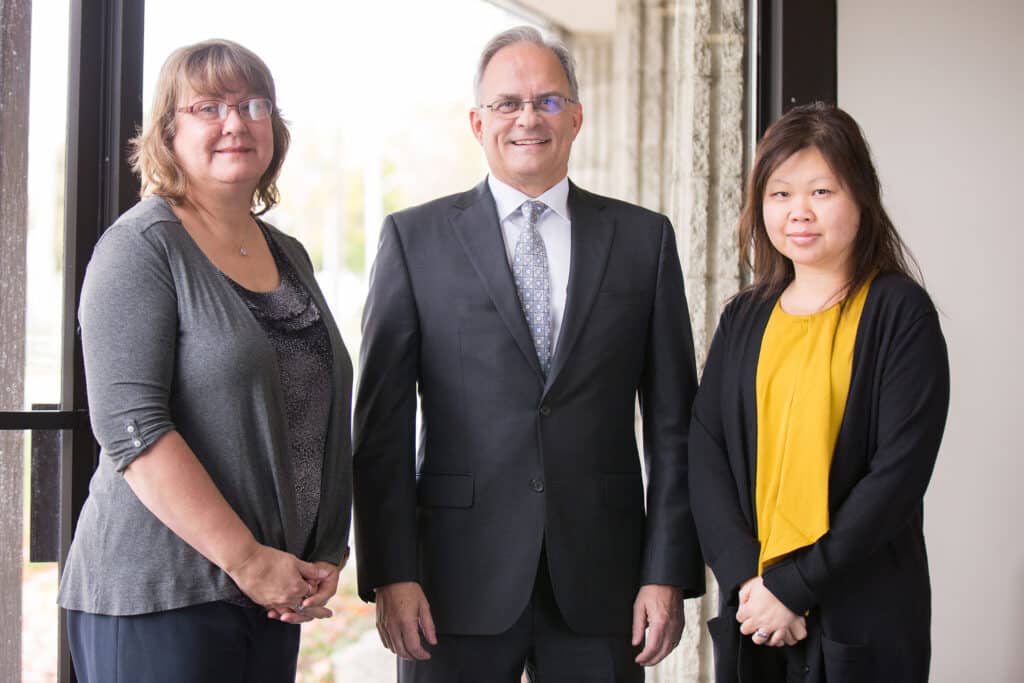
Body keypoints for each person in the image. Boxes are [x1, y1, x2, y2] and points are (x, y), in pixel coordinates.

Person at [353, 26, 705, 682]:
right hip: (452, 584)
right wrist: (392, 573)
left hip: (604, 583)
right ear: (477, 121)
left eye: (547, 101)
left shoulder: (642, 241)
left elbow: (674, 428)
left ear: (575, 117)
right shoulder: (414, 239)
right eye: (507, 102)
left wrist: (667, 573)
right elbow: (380, 432)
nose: (527, 118)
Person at [57, 39, 353, 682]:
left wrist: (324, 549)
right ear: (169, 130)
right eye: (208, 106)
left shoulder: (289, 253)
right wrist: (247, 559)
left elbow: (315, 411)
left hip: (270, 593)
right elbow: (132, 429)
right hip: (161, 597)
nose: (235, 122)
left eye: (253, 104)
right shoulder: (139, 247)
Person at [689, 102, 950, 682]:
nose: (798, 213)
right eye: (779, 194)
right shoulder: (744, 318)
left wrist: (794, 587)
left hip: (864, 612)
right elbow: (705, 452)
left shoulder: (900, 313)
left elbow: (896, 477)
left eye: (821, 192)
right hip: (754, 616)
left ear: (861, 196)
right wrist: (747, 584)